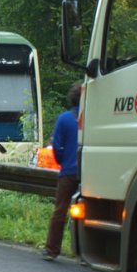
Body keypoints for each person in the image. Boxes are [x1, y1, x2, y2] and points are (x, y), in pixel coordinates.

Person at [43, 81, 82, 260]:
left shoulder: (65, 118)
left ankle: (52, 249)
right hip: (89, 173)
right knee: (88, 211)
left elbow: (57, 147)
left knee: (60, 210)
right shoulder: (91, 118)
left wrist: (63, 162)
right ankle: (84, 252)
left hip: (68, 172)